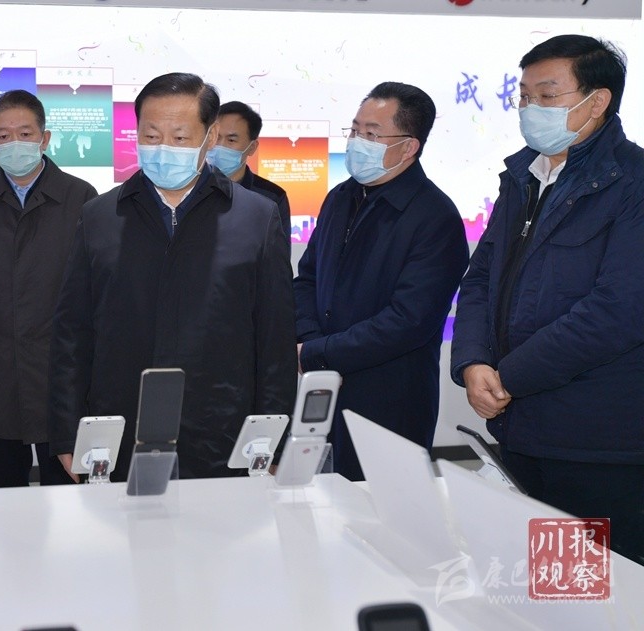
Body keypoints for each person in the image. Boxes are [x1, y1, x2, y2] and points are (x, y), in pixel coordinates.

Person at [451, 35, 644, 563]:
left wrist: (508, 377)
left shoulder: (633, 182)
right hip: (520, 432)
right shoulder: (523, 178)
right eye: (524, 96)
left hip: (597, 444)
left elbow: (618, 311)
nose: (529, 108)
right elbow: (480, 278)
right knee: (527, 582)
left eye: (547, 95)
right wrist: (472, 362)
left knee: (591, 589)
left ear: (597, 101)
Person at [49, 72, 297, 481]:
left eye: (180, 137)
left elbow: (275, 338)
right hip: (121, 433)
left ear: (210, 136)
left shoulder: (256, 217)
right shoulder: (99, 217)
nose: (163, 149)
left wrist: (275, 438)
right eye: (151, 136)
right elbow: (71, 333)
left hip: (222, 434)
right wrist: (65, 431)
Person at [294, 82, 468, 482]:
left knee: (379, 509)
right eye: (355, 130)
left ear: (408, 147)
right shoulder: (340, 197)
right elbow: (307, 279)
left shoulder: (434, 217)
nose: (357, 142)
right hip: (322, 390)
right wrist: (310, 342)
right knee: (317, 503)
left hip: (389, 401)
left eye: (372, 135)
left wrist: (318, 353)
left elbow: (408, 321)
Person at [0, 90, 97, 488]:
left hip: (61, 372)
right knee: (3, 491)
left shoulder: (81, 198)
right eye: (4, 136)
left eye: (25, 133)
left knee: (68, 493)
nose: (15, 143)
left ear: (45, 139)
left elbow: (96, 294)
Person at [206, 101, 292, 241]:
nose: (220, 146)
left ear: (252, 147)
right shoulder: (189, 188)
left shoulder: (271, 197)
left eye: (231, 140)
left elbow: (277, 251)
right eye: (216, 137)